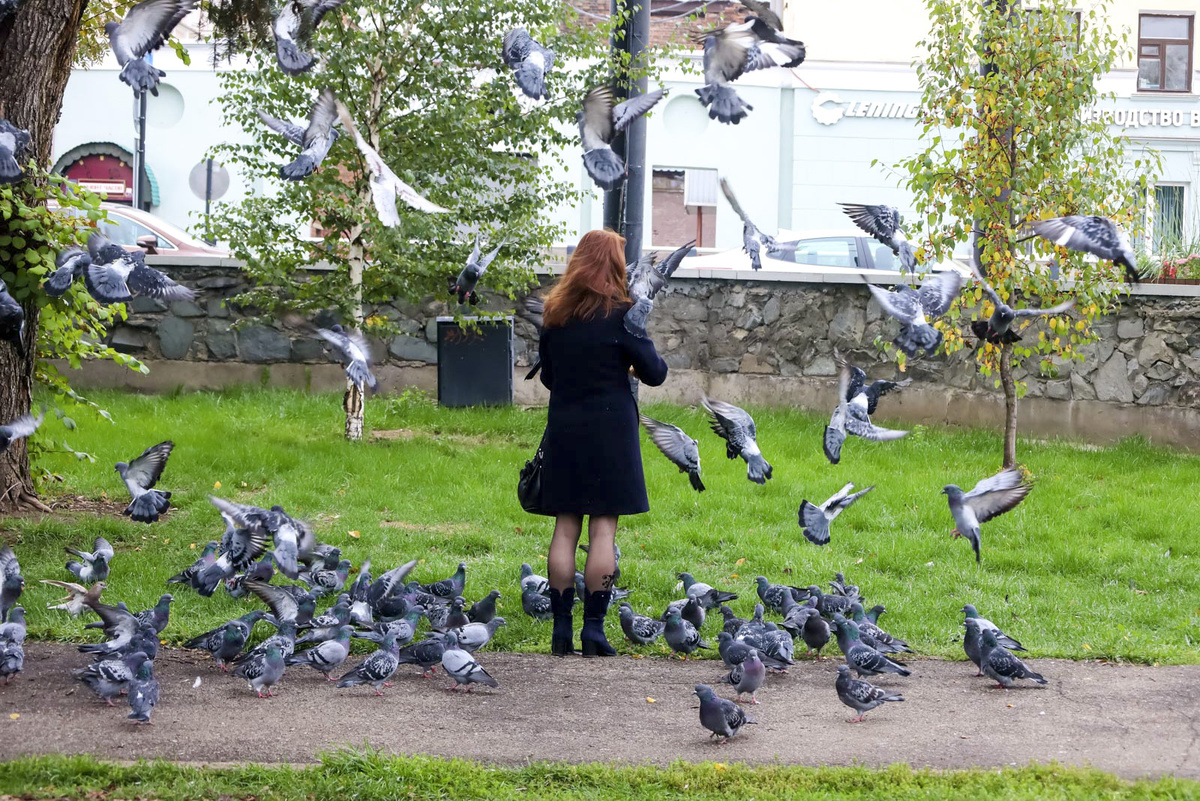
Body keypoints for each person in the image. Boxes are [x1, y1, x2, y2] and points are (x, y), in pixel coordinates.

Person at [536, 229, 668, 657]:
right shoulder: (622, 314)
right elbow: (655, 373)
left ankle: (560, 630)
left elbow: (549, 377)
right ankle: (593, 630)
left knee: (565, 525)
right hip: (611, 432)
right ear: (614, 265)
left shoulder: (555, 312)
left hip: (565, 428)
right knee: (603, 528)